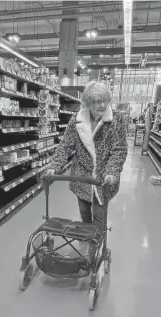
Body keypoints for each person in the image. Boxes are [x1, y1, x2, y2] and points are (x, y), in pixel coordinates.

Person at [46, 80, 128, 232]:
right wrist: (54, 167)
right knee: (84, 213)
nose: (102, 105)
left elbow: (119, 149)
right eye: (97, 102)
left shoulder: (117, 120)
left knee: (99, 216)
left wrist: (112, 172)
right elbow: (66, 145)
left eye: (105, 101)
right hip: (81, 175)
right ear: (88, 102)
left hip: (104, 177)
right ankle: (86, 240)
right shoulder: (77, 120)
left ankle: (96, 246)